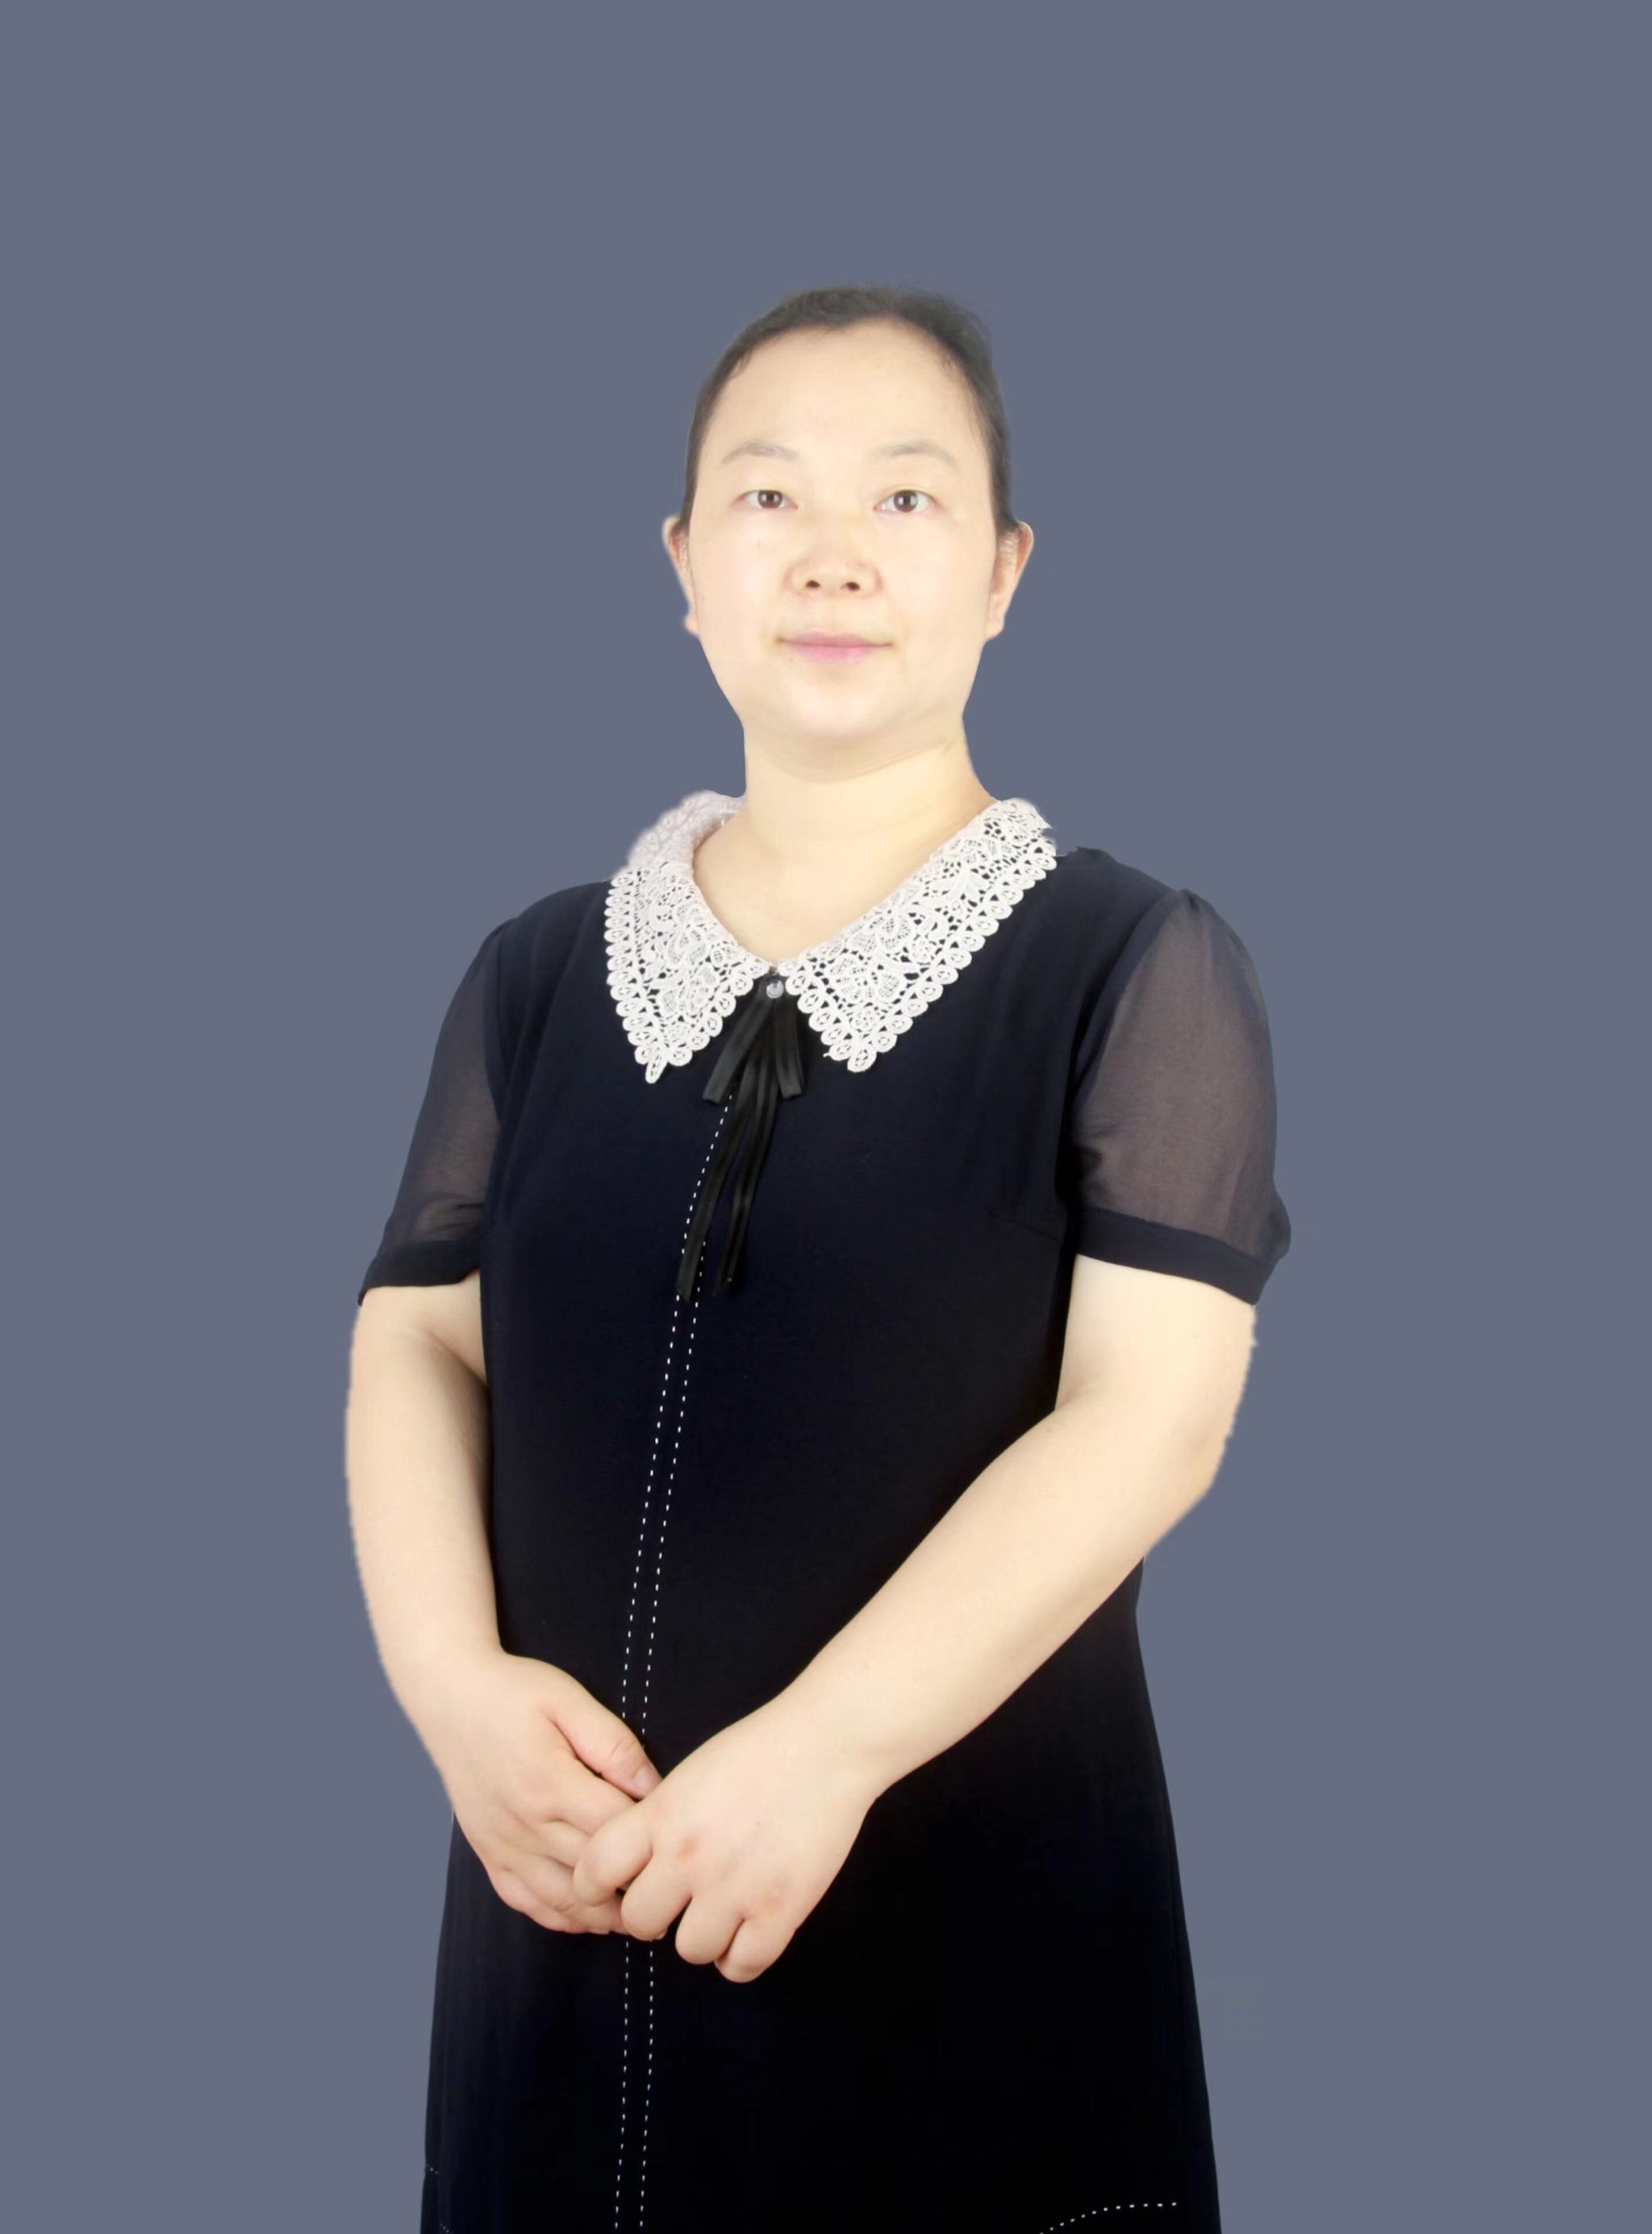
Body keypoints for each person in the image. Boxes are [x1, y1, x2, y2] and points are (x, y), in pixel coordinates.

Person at [344, 283, 1292, 2234]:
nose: (833, 554)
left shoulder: (1130, 963)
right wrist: (448, 1685)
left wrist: (821, 1753)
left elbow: (1151, 1419)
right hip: (550, 1925)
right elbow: (419, 1339)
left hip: (964, 1948)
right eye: (768, 496)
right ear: (684, 565)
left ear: (1005, 571)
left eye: (907, 497)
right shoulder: (535, 974)